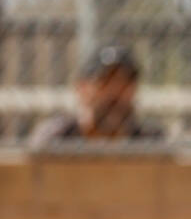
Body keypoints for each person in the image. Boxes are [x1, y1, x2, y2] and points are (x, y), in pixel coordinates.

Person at [29, 45, 164, 147]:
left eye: (125, 83)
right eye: (105, 82)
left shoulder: (150, 141)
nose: (116, 91)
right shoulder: (58, 138)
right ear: (81, 88)